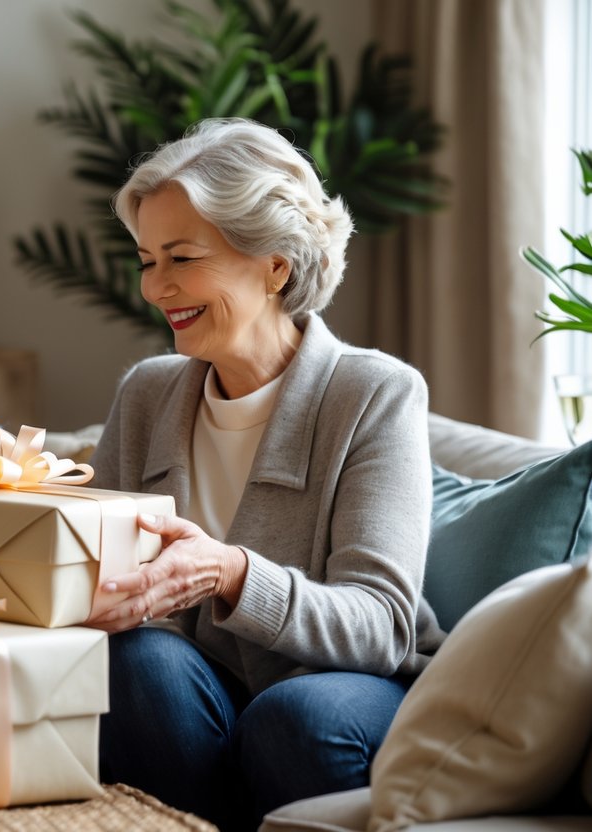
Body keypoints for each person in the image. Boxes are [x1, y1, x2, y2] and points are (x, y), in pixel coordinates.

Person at [85, 118, 446, 831]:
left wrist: (229, 573)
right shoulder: (147, 393)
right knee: (137, 662)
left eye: (180, 258)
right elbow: (92, 571)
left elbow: (379, 625)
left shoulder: (373, 392)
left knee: (295, 715)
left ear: (274, 264)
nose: (155, 288)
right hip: (194, 697)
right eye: (146, 259)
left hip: (347, 692)